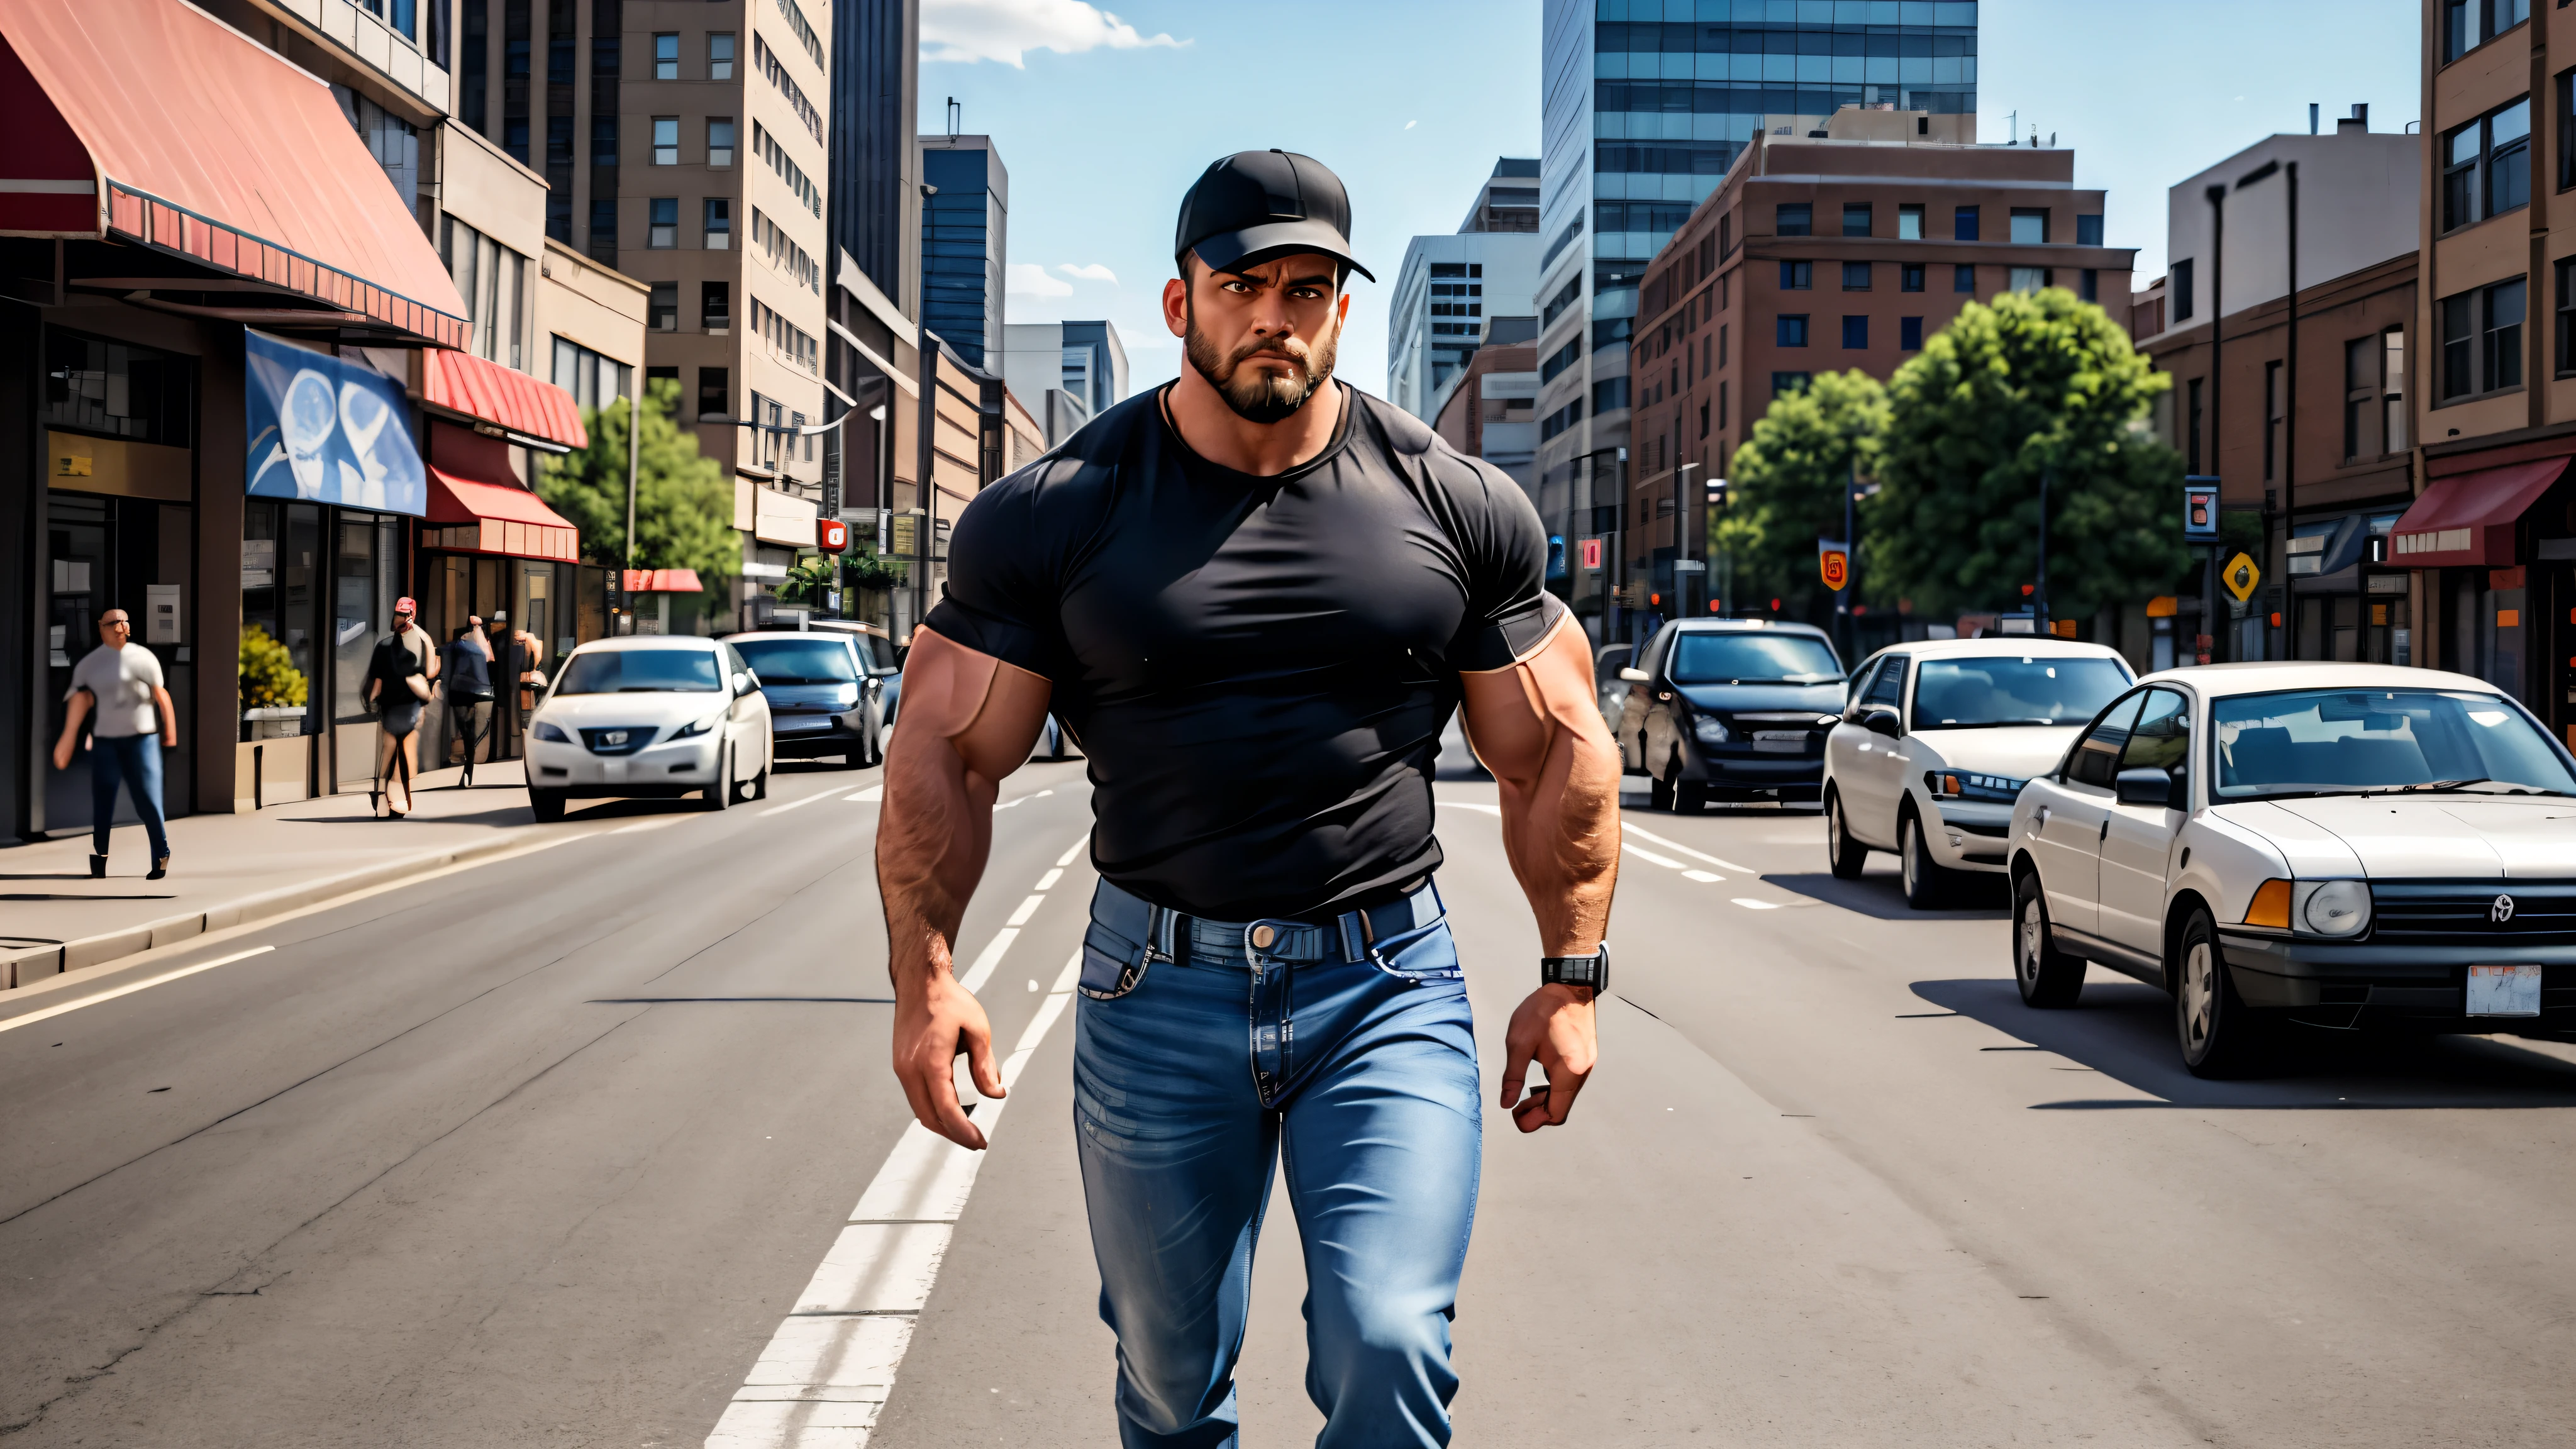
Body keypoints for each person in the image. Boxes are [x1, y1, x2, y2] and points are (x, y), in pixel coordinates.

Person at [877, 150, 1622, 1448]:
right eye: (1242, 283)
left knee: (1389, 1345)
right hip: (1152, 989)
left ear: (1340, 306)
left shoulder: (1453, 504)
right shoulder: (1053, 514)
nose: (1275, 312)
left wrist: (1568, 979)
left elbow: (1556, 749)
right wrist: (924, 981)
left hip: (1382, 986)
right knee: (1168, 1382)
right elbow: (945, 751)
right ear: (1182, 305)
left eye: (1309, 285)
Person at [52, 608, 177, 880]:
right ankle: (100, 856)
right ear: (102, 628)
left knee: (148, 799)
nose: (121, 626)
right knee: (104, 800)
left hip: (142, 740)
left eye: (125, 621)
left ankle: (161, 853)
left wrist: (170, 732)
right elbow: (81, 699)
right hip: (106, 741)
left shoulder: (143, 658)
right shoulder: (91, 664)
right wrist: (69, 736)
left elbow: (160, 694)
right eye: (114, 622)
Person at [365, 597, 438, 816]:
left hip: (389, 707)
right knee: (404, 755)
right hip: (410, 707)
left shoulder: (382, 647)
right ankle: (403, 799)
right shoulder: (417, 648)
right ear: (412, 616)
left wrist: (371, 703)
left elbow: (376, 684)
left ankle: (382, 800)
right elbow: (431, 672)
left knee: (388, 754)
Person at [441, 616, 496, 786]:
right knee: (470, 731)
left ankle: (466, 765)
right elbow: (490, 660)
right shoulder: (480, 645)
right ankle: (469, 766)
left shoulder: (458, 644)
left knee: (463, 729)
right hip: (475, 691)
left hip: (458, 690)